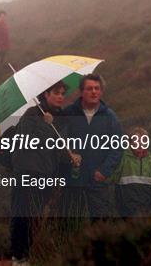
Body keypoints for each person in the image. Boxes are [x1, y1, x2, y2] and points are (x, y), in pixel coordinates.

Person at [10, 80, 74, 265]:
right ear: (45, 95)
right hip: (27, 173)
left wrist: (71, 157)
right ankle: (18, 258)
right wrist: (47, 125)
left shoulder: (59, 118)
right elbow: (28, 142)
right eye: (56, 93)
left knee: (36, 217)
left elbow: (57, 150)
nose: (61, 96)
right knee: (22, 215)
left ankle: (27, 256)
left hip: (46, 175)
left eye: (63, 93)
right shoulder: (32, 114)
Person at [63, 73, 124, 220]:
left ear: (101, 91)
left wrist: (104, 171)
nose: (94, 92)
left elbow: (117, 148)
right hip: (73, 181)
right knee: (71, 223)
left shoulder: (110, 117)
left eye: (97, 88)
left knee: (100, 224)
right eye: (89, 88)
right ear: (81, 91)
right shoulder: (68, 113)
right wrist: (67, 156)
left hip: (97, 182)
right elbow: (57, 141)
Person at [111, 127, 151, 217]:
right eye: (136, 142)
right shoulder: (123, 159)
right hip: (125, 205)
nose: (139, 145)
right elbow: (113, 176)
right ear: (130, 143)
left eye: (143, 142)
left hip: (146, 205)